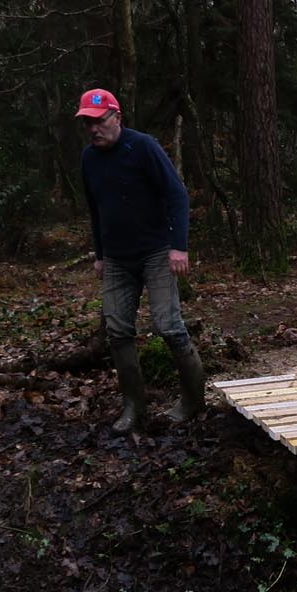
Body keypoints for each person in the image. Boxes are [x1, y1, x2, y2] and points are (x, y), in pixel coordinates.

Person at [78, 87, 203, 433]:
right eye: (87, 123)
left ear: (117, 117)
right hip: (117, 258)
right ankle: (134, 406)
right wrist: (100, 254)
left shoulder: (143, 147)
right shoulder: (89, 159)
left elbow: (177, 194)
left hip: (156, 252)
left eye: (99, 121)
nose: (93, 129)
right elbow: (96, 210)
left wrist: (179, 247)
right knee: (117, 329)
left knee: (168, 325)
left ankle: (193, 399)